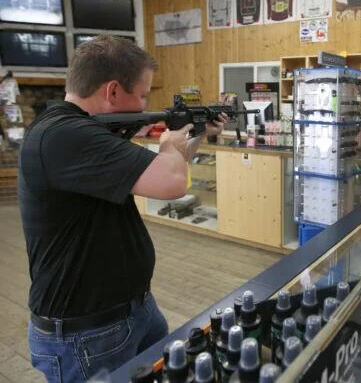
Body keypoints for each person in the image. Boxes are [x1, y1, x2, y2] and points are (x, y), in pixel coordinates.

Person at [18, 35, 228, 382]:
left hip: (133, 310)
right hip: (86, 333)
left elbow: (160, 175)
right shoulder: (64, 135)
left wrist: (197, 134)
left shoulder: (77, 131)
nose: (146, 102)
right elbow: (171, 182)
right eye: (143, 94)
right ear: (113, 91)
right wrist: (166, 142)